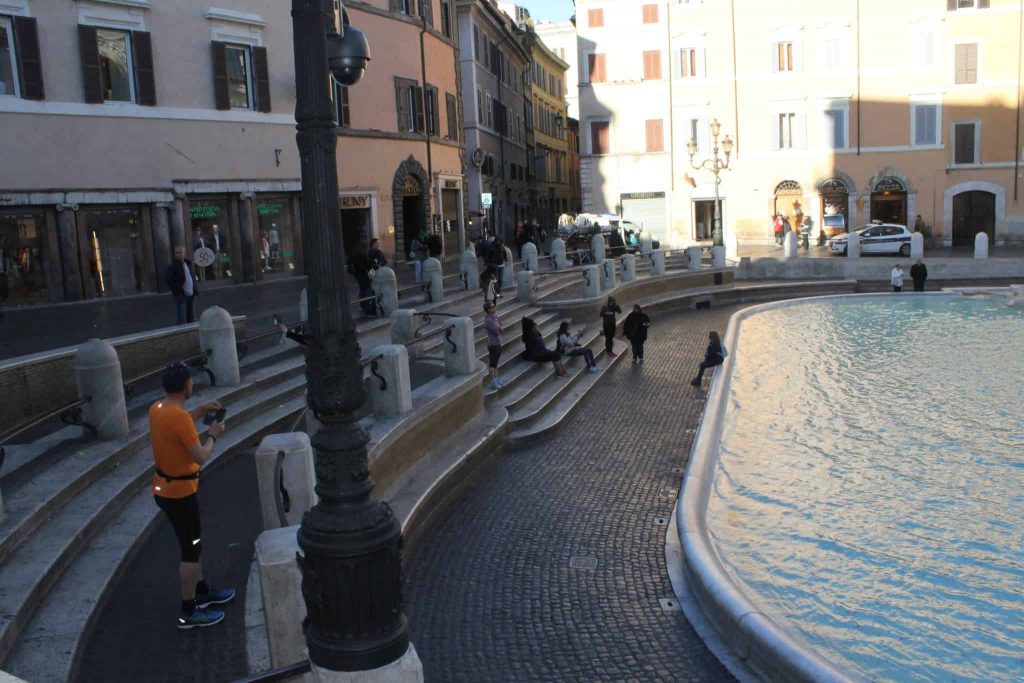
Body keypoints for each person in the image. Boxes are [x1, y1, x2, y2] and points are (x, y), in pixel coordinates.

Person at [149, 362, 234, 628]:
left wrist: (200, 410)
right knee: (190, 549)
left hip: (165, 488)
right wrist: (214, 435)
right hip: (180, 494)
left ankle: (202, 592)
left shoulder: (157, 408)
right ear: (186, 385)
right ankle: (189, 612)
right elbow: (202, 455)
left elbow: (178, 423)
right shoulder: (180, 418)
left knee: (194, 544)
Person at [165, 246, 199, 325]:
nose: (178, 254)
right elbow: (168, 279)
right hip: (181, 294)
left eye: (180, 252)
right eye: (177, 253)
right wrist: (176, 289)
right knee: (182, 319)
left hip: (191, 293)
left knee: (191, 318)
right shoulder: (173, 266)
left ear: (184, 253)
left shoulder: (189, 264)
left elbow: (192, 276)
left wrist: (195, 289)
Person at [484, 302, 504, 389]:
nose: (494, 308)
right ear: (488, 309)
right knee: (492, 363)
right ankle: (493, 381)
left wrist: (499, 327)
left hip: (498, 342)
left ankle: (497, 378)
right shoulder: (488, 319)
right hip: (492, 343)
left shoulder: (495, 317)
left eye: (494, 306)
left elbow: (501, 327)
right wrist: (499, 327)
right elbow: (496, 331)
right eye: (492, 307)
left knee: (496, 362)